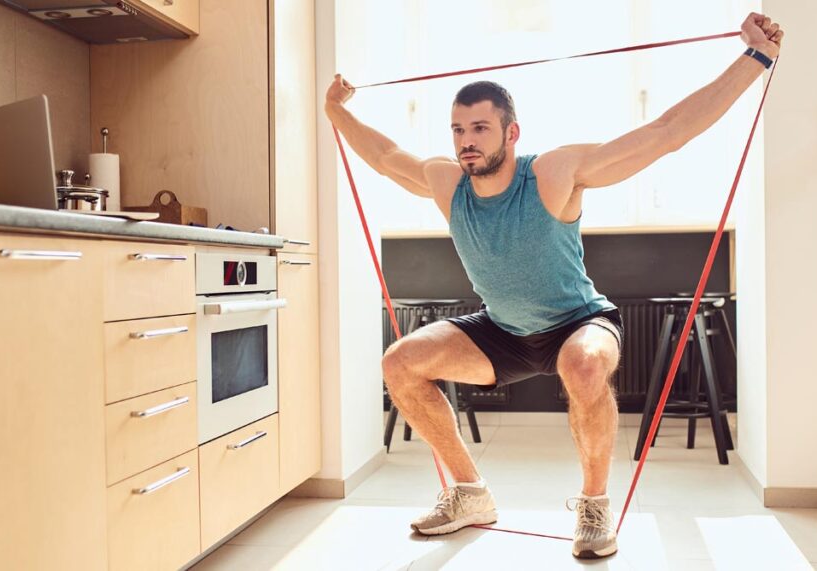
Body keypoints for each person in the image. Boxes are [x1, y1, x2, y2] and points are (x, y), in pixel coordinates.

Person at [325, 12, 783, 560]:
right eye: (458, 130)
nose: (466, 142)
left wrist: (755, 59)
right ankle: (469, 493)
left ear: (511, 132)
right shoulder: (448, 182)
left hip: (580, 321)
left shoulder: (554, 174)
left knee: (585, 366)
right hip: (503, 330)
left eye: (479, 129)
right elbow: (382, 157)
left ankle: (594, 506)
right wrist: (334, 109)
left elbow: (664, 134)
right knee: (399, 362)